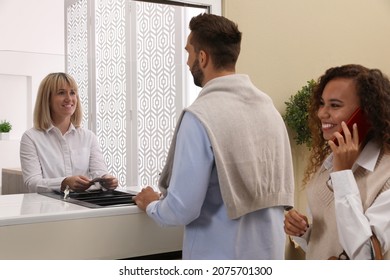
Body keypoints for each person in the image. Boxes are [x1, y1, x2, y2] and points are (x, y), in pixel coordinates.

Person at [134, 13, 294, 260]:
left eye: (189, 53)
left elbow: (182, 208)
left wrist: (152, 204)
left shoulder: (200, 117)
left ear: (202, 57)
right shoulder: (268, 109)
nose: (187, 62)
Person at [284, 64, 390, 259]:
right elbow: (328, 241)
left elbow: (365, 257)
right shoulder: (328, 162)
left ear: (366, 113)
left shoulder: (386, 176)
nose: (322, 113)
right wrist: (303, 232)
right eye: (322, 103)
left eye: (334, 105)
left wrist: (343, 175)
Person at [20, 72, 118, 193]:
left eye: (72, 93)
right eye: (61, 93)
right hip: (48, 208)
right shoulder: (31, 137)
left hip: (85, 206)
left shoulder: (88, 137)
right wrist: (63, 183)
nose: (69, 98)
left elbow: (99, 172)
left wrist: (106, 179)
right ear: (47, 99)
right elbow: (32, 183)